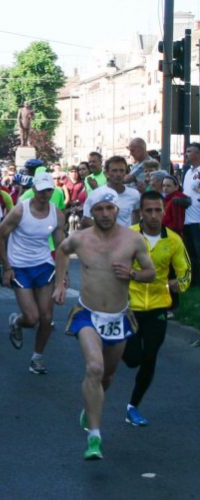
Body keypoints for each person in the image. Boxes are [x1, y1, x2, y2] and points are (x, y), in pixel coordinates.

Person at [54, 190, 155, 460]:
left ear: (117, 209)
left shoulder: (133, 239)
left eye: (110, 208)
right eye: (99, 209)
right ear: (91, 211)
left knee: (107, 376)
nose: (105, 214)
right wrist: (60, 283)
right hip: (87, 313)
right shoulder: (80, 239)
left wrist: (133, 273)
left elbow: (151, 272)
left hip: (118, 317)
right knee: (94, 368)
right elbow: (61, 252)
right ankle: (94, 438)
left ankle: (90, 408)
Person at [122, 191, 191, 426]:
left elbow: (186, 272)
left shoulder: (173, 240)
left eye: (158, 210)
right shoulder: (128, 236)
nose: (154, 215)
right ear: (141, 212)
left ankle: (133, 407)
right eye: (148, 210)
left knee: (150, 357)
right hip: (129, 307)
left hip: (158, 307)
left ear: (164, 211)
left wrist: (178, 285)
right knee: (132, 360)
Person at [0, 172, 65, 374]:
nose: (44, 194)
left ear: (52, 191)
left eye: (48, 190)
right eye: (41, 190)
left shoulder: (57, 214)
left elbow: (61, 246)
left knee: (46, 317)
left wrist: (63, 276)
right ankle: (17, 321)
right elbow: (0, 236)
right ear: (34, 190)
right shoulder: (20, 211)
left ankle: (37, 357)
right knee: (32, 317)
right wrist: (7, 267)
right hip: (20, 266)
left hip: (43, 264)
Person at [82, 156, 141, 228]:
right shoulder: (95, 195)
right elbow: (86, 219)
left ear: (126, 173)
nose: (118, 174)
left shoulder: (134, 194)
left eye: (121, 170)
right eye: (114, 171)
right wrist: (104, 231)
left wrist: (131, 232)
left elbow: (136, 214)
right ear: (106, 173)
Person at [181, 142, 200, 285]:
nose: (186, 154)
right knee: (190, 251)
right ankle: (194, 278)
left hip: (198, 218)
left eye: (189, 151)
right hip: (187, 217)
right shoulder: (188, 172)